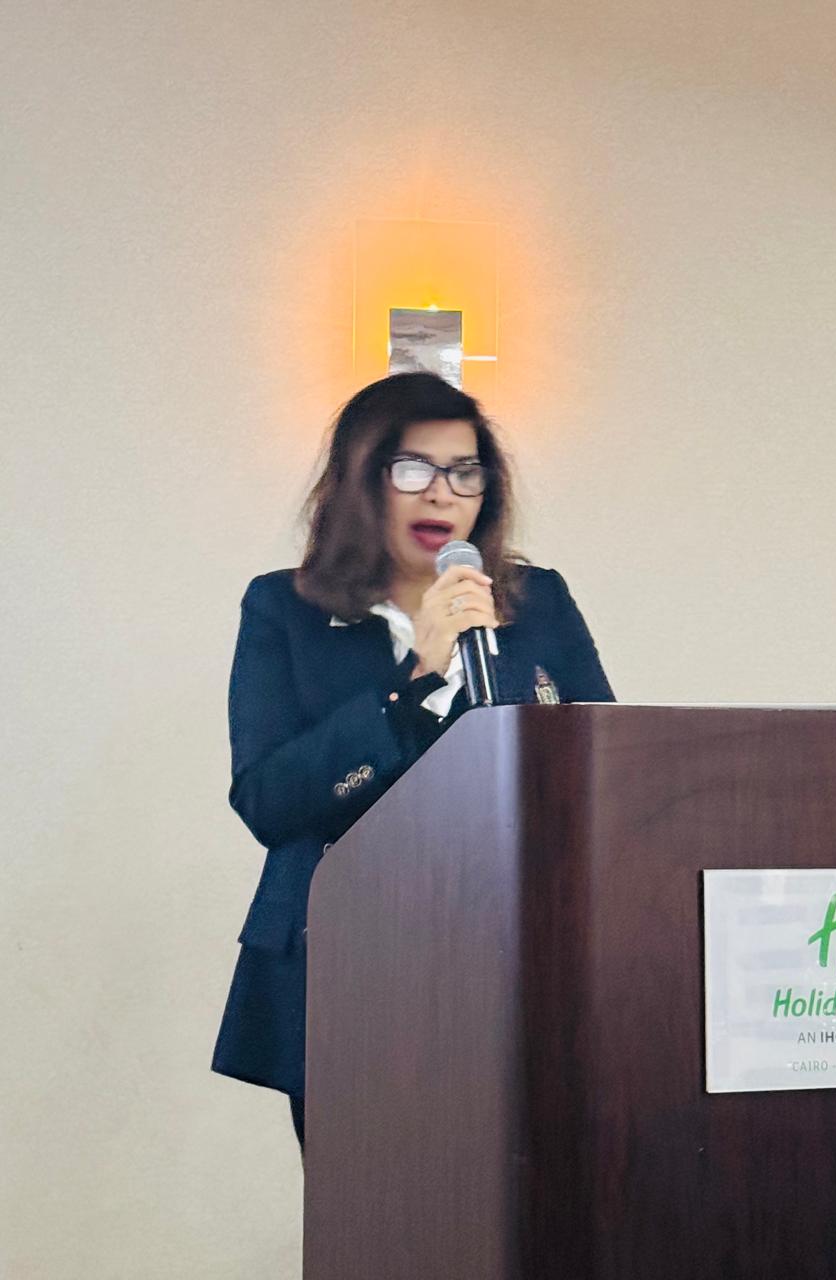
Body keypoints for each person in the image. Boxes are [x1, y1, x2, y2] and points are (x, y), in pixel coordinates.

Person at [211, 372, 614, 1149]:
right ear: (362, 480)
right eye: (412, 468)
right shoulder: (286, 609)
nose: (441, 493)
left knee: (516, 1200)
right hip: (349, 963)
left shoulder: (538, 601)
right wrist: (416, 682)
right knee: (371, 1203)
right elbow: (267, 801)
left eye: (464, 471)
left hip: (514, 952)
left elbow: (601, 758)